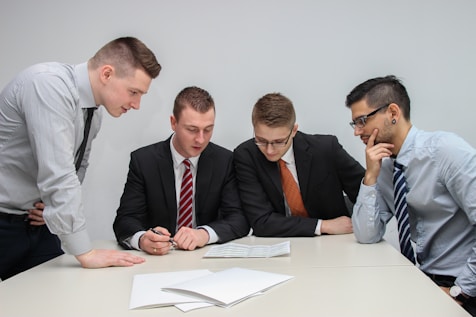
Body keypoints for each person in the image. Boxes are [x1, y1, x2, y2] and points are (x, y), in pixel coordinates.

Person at [0, 36, 162, 280]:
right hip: (3, 221)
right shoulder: (48, 85)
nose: (137, 104)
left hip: (36, 224)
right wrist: (86, 252)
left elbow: (78, 168)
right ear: (107, 74)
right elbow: (59, 175)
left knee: (54, 298)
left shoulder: (93, 114)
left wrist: (51, 208)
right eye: (134, 92)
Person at [346, 75, 476, 315]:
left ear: (393, 112)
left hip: (465, 286)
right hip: (426, 280)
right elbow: (366, 235)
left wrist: (462, 290)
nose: (357, 131)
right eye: (354, 123)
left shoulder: (446, 151)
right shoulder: (385, 167)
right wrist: (371, 177)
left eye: (362, 120)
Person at [113, 86, 250, 255]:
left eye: (208, 129)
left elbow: (239, 219)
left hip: (205, 258)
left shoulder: (225, 161)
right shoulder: (144, 161)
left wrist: (204, 234)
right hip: (158, 261)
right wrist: (143, 239)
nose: (200, 139)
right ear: (173, 123)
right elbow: (125, 220)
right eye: (192, 130)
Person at [233, 92, 365, 237]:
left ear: (294, 130)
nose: (269, 150)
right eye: (261, 140)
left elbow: (367, 196)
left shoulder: (326, 149)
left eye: (279, 142)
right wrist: (323, 225)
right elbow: (261, 222)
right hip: (279, 243)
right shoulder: (246, 155)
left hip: (334, 243)